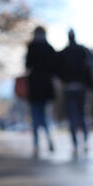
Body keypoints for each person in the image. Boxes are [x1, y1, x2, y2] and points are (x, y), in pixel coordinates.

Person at [58, 29, 92, 154]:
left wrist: (65, 79)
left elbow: (58, 70)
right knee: (83, 115)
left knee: (72, 117)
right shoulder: (82, 50)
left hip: (69, 88)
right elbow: (91, 65)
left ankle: (75, 144)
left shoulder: (64, 52)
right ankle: (86, 141)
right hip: (82, 87)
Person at [26, 26, 57, 156]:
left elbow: (27, 65)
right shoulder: (49, 47)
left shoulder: (32, 47)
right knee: (44, 116)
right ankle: (49, 139)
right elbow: (55, 65)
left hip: (34, 86)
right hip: (46, 87)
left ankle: (36, 145)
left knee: (35, 117)